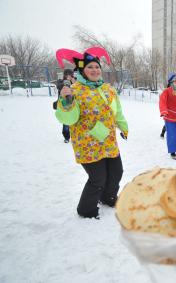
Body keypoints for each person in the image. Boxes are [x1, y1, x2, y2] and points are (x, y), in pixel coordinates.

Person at [55, 46, 128, 219]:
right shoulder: (75, 91)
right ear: (82, 70)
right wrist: (66, 102)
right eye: (90, 67)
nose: (95, 70)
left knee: (117, 171)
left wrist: (123, 126)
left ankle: (108, 197)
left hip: (108, 140)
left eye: (97, 67)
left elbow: (117, 111)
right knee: (98, 179)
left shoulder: (108, 89)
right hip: (87, 143)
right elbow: (68, 119)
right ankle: (86, 209)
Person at [54, 69, 76, 143]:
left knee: (75, 121)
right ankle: (66, 137)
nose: (68, 76)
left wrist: (73, 82)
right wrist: (65, 83)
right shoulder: (61, 81)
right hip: (64, 104)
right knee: (66, 122)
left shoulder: (75, 81)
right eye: (67, 75)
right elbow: (59, 87)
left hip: (74, 104)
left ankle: (75, 136)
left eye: (70, 75)